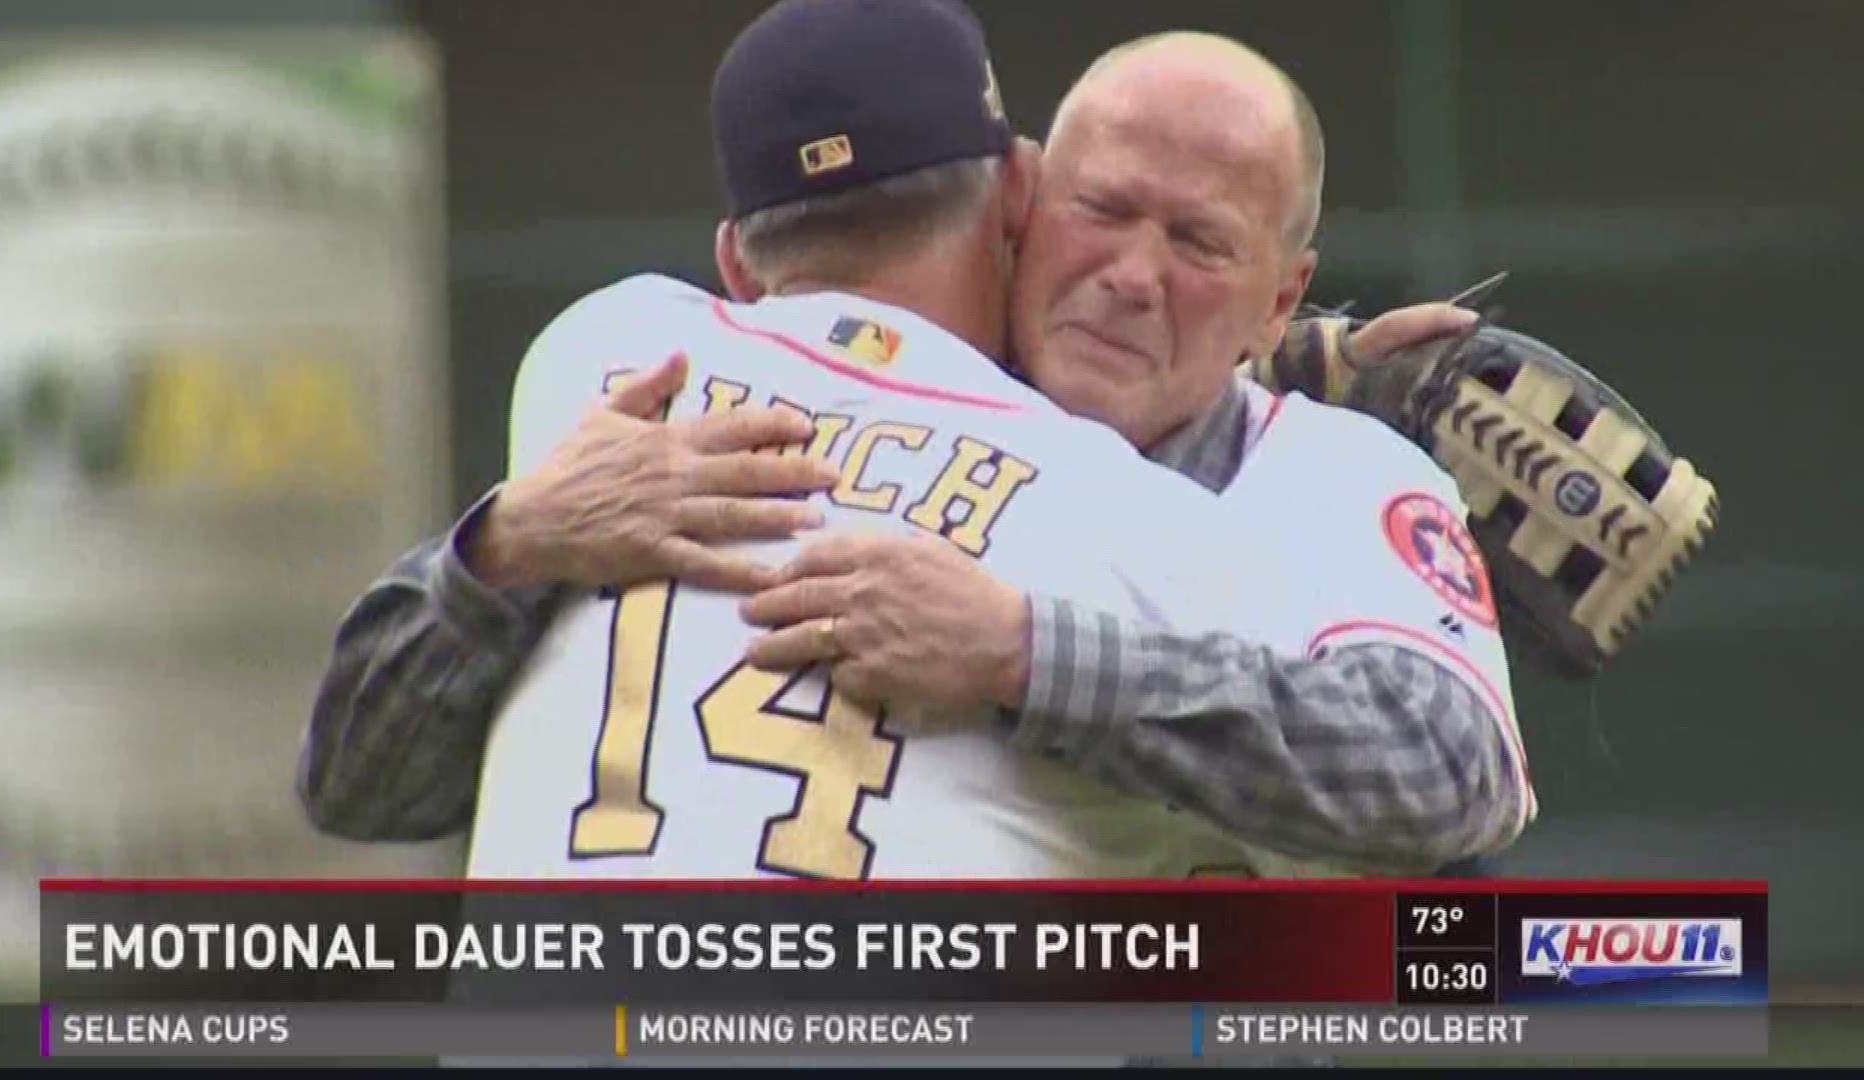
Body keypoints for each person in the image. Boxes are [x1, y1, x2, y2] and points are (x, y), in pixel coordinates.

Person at [299, 10, 1529, 877]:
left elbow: (1446, 786)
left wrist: (1022, 653)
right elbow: (364, 787)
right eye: (1098, 213)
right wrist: (510, 543)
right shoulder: (650, 442)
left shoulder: (1329, 474)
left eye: (1199, 247)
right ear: (1023, 201)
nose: (1130, 276)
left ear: (1280, 294)